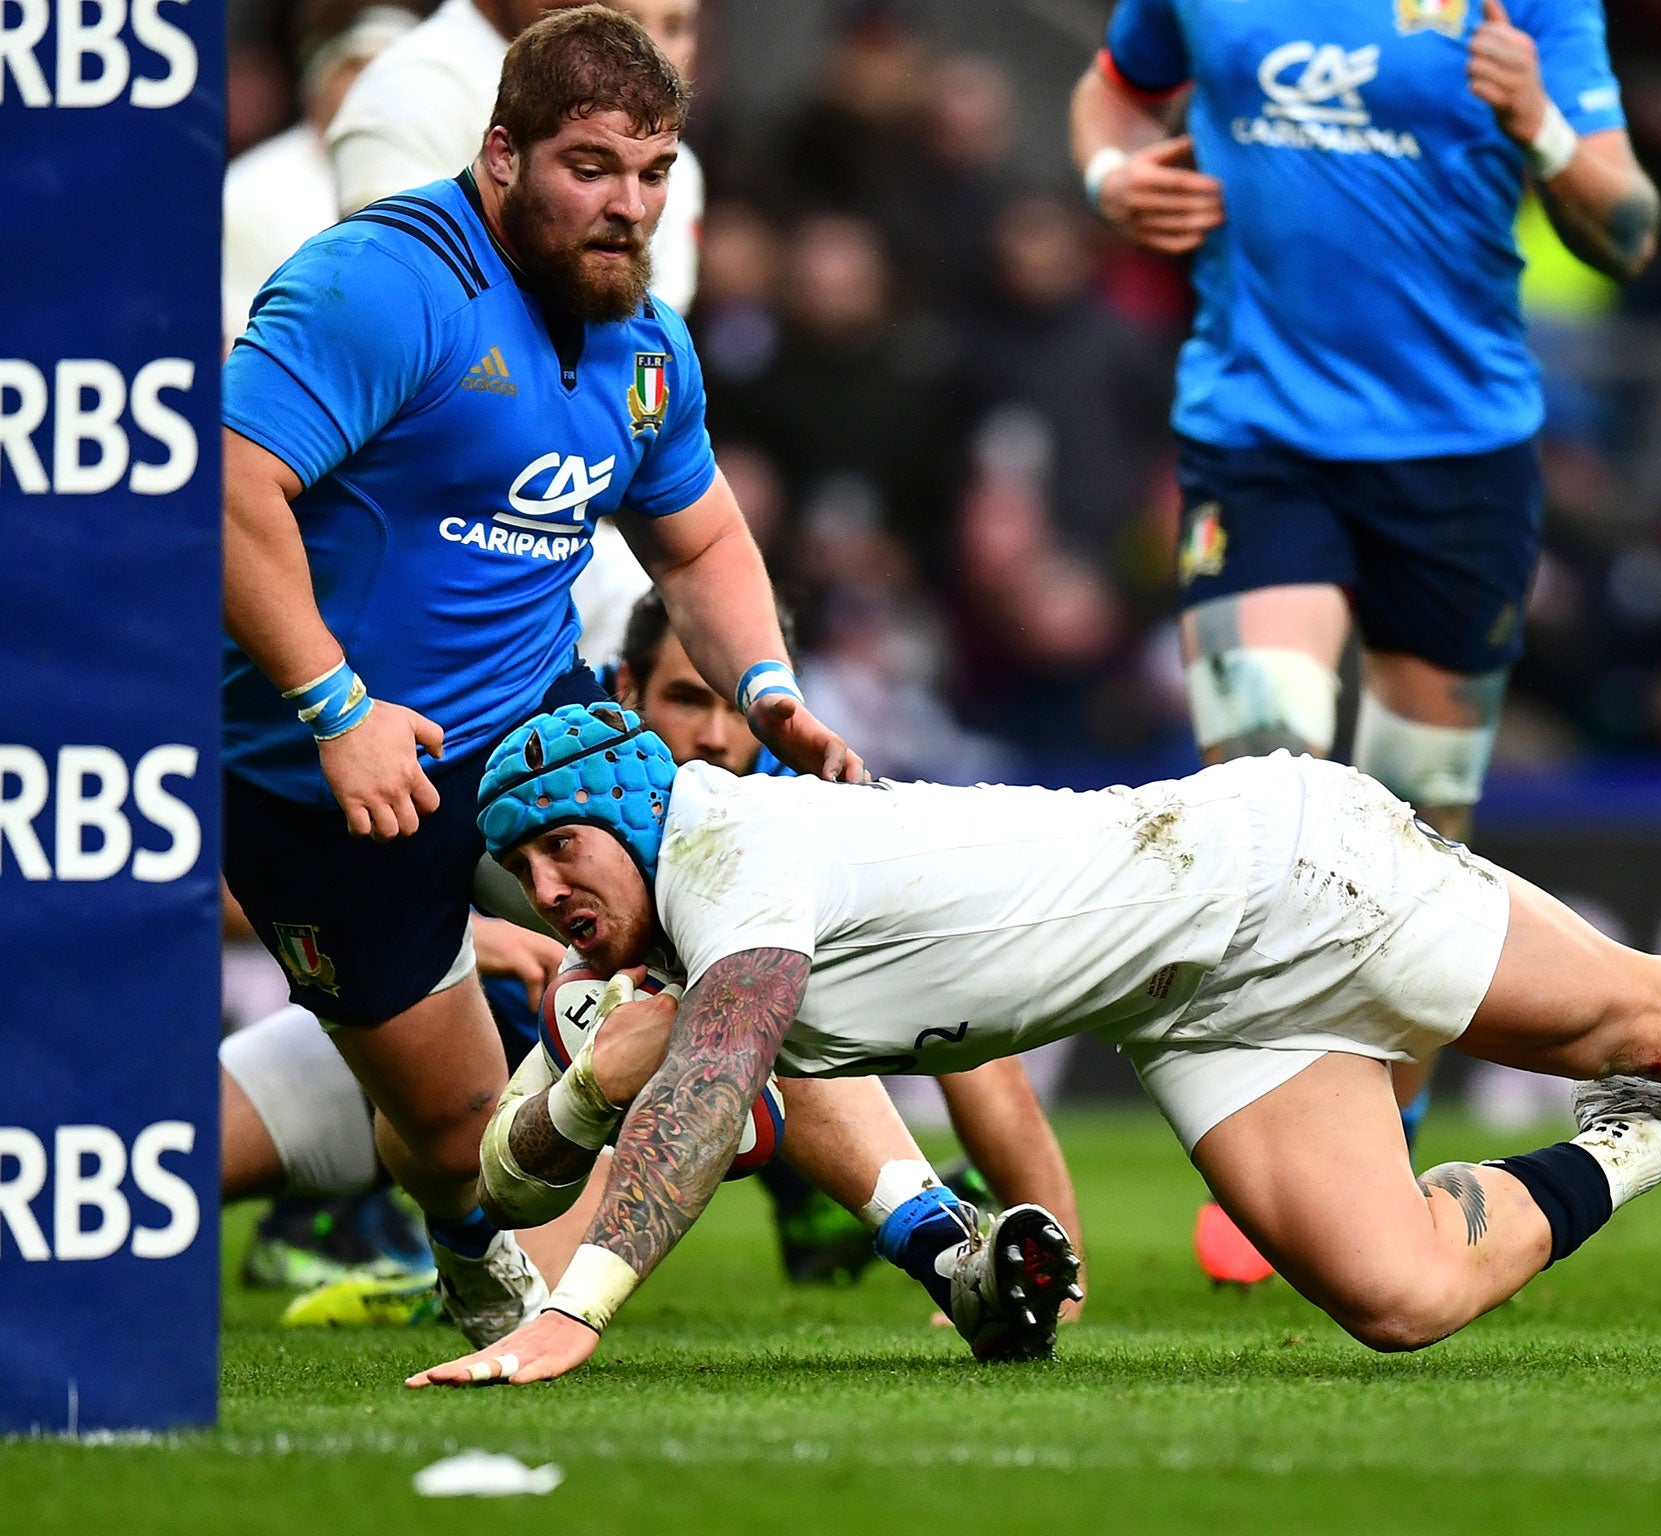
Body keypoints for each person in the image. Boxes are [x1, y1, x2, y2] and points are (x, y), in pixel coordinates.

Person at [414, 705, 1661, 1386]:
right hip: (1182, 998)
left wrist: (574, 1314)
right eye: (527, 880)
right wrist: (560, 1106)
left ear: (626, 812)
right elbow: (560, 1132)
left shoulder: (719, 848)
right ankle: (1651, 1140)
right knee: (1397, 1298)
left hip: (1278, 876)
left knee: (1646, 1007)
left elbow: (707, 1090)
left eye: (561, 856)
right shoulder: (675, 928)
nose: (551, 898)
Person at [222, 6, 879, 1347]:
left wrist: (762, 689)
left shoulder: (645, 344)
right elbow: (225, 486)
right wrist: (336, 707)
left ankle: (927, 1235)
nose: (628, 205)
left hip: (534, 724)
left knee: (746, 919)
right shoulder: (381, 282)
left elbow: (695, 535)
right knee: (460, 1131)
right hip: (317, 768)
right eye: (592, 167)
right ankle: (475, 1243)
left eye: (654, 173)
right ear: (503, 154)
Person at [1068, 0, 1661, 1259]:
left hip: (1459, 458)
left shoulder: (1531, 10)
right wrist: (1113, 173)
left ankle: (1377, 1146)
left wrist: (1542, 127)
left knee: (1420, 833)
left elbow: (1627, 226)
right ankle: (1277, 1160)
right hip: (1256, 437)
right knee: (1263, 798)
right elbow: (1112, 91)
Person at [610, 589, 1086, 1287]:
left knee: (822, 996)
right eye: (687, 699)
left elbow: (958, 1010)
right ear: (626, 689)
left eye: (731, 707)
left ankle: (1023, 1262)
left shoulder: (806, 799)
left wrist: (1064, 1274)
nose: (714, 736)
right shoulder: (562, 774)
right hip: (521, 1025)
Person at [326, 0, 703, 311]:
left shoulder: (672, 160)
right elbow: (393, 302)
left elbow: (645, 359)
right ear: (502, 153)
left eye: (674, 26)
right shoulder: (410, 92)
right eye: (589, 170)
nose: (650, 49)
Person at [222, 0, 419, 341]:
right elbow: (236, 327)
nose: (366, 87)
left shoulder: (447, 173)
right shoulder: (249, 187)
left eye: (383, 69)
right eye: (354, 69)